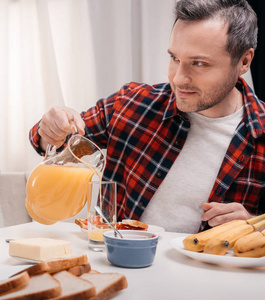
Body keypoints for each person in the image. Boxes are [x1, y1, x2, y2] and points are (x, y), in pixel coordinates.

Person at [29, 0, 264, 233]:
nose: (179, 78)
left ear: (244, 61)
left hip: (211, 269)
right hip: (121, 265)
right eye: (174, 58)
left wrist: (256, 224)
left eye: (199, 63)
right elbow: (54, 142)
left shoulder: (260, 132)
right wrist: (51, 129)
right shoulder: (132, 104)